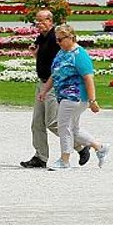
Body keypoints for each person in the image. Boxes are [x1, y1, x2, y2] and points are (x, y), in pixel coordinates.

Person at [20, 9, 90, 168]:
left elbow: (62, 63)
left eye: (43, 20)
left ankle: (80, 146)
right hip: (42, 83)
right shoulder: (42, 37)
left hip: (53, 85)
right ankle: (40, 157)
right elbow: (48, 61)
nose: (39, 24)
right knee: (37, 123)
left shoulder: (55, 38)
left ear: (50, 21)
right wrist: (36, 54)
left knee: (52, 122)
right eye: (37, 21)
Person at [39, 24, 110, 171]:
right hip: (64, 95)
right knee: (74, 129)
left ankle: (64, 160)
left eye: (60, 40)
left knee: (64, 127)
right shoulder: (62, 53)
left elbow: (88, 78)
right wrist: (45, 90)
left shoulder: (79, 54)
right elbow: (55, 73)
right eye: (56, 40)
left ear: (71, 37)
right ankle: (100, 147)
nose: (58, 43)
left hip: (75, 96)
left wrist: (92, 101)